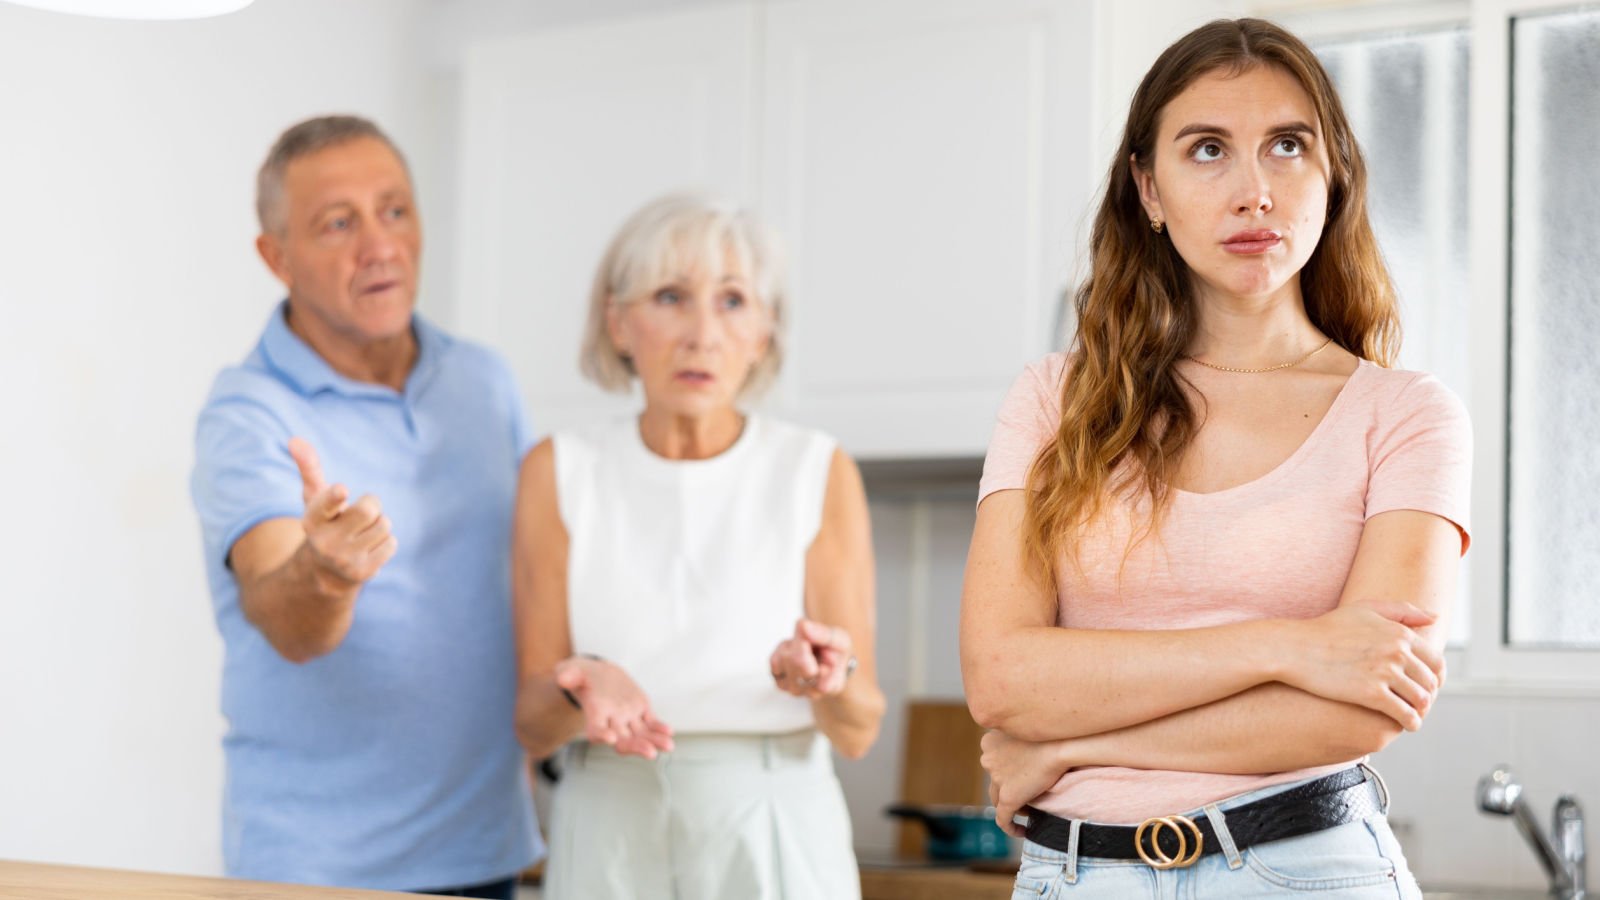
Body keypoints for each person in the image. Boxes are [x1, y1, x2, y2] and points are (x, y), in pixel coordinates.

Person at [959, 19, 1471, 899]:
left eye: (1286, 146)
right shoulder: (1054, 400)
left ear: (1333, 174)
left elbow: (1356, 707)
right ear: (1147, 189)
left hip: (1310, 871)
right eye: (1207, 150)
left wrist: (1075, 740)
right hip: (1079, 877)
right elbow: (1003, 680)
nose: (1254, 191)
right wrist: (1293, 646)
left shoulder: (1406, 414)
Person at [190, 115, 539, 898]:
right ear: (275, 256)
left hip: (483, 850)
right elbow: (286, 618)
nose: (378, 245)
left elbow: (535, 581)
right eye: (337, 223)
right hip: (316, 869)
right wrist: (328, 571)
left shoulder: (486, 382)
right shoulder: (249, 414)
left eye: (395, 210)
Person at [511, 193, 885, 899]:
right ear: (618, 323)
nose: (702, 334)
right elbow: (532, 724)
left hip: (773, 819)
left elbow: (860, 725)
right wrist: (582, 677)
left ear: (765, 331)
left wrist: (826, 680)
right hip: (606, 821)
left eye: (734, 301)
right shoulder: (557, 471)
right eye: (671, 296)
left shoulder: (814, 469)